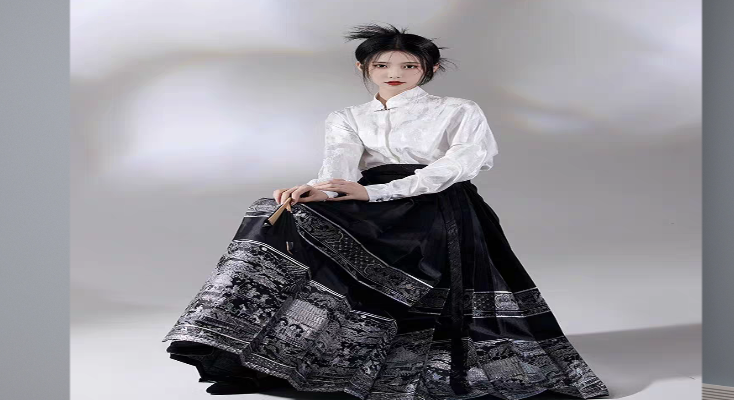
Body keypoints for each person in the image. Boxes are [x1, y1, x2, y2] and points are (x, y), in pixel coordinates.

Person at [163, 23, 610, 400]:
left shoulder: (458, 110)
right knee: (272, 213)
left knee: (440, 289)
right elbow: (338, 169)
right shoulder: (347, 117)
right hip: (368, 198)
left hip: (438, 202)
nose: (394, 74)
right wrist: (316, 191)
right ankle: (251, 357)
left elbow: (457, 166)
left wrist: (377, 193)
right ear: (363, 68)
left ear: (430, 69)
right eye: (381, 66)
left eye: (409, 66)